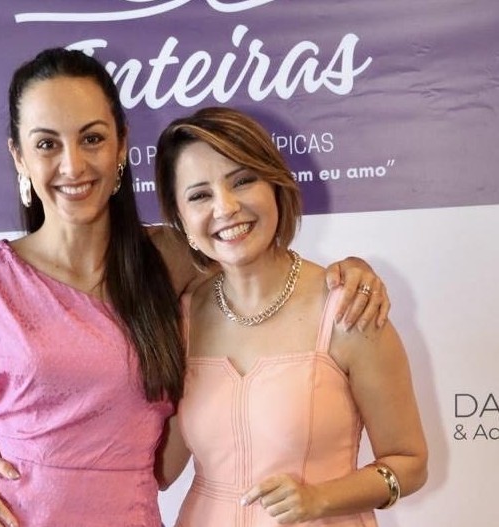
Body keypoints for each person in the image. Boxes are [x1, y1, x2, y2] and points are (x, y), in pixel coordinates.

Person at [0, 49, 391, 527]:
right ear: (19, 156)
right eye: (46, 144)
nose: (73, 165)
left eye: (92, 139)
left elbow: (267, 271)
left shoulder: (173, 258)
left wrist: (348, 273)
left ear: (122, 145)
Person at [152, 107, 428, 526]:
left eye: (242, 180)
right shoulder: (182, 319)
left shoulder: (348, 308)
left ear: (275, 186)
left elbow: (410, 463)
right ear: (181, 221)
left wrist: (320, 498)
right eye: (199, 196)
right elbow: (160, 470)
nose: (225, 207)